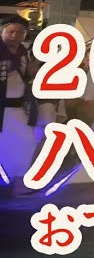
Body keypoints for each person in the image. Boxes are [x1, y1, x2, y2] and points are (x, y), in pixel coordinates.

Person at [1, 15, 52, 195]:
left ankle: (18, 182)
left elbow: (30, 73)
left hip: (18, 109)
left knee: (26, 142)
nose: (15, 35)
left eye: (20, 32)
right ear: (2, 32)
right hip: (2, 109)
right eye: (11, 31)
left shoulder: (23, 53)